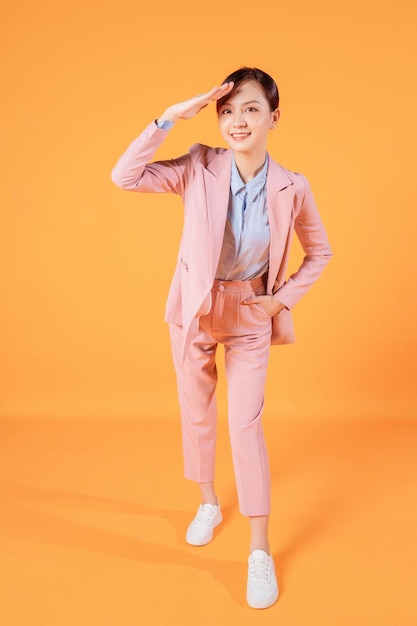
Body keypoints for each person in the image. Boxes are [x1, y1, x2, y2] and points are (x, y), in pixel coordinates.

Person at [111, 67, 332, 609]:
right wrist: (168, 117)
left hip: (251, 310)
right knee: (198, 412)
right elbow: (125, 176)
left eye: (251, 109)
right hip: (194, 308)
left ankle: (260, 550)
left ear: (274, 118)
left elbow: (320, 251)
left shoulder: (292, 185)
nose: (238, 120)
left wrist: (282, 299)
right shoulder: (197, 165)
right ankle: (208, 501)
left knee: (245, 425)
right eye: (228, 110)